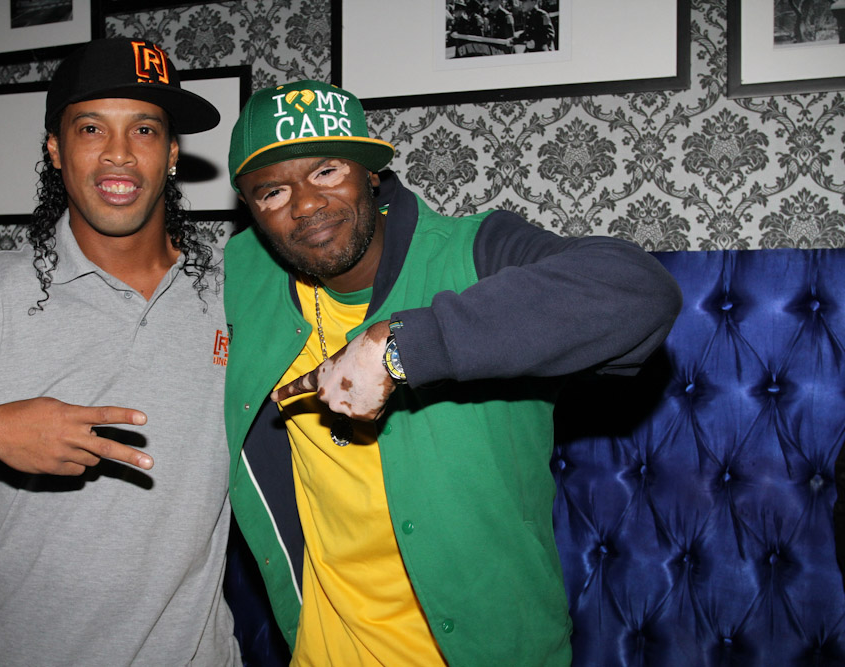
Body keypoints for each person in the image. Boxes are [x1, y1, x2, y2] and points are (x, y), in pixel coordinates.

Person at [222, 79, 683, 665]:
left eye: (327, 170)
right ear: (252, 211)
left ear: (371, 173)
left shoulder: (474, 253)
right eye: (272, 192)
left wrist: (401, 349)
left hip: (488, 649)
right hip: (325, 649)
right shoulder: (246, 275)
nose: (306, 204)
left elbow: (639, 291)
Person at [0, 38, 239, 666]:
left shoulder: (234, 290)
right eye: (91, 128)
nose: (118, 152)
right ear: (56, 150)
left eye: (144, 129)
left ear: (171, 154)